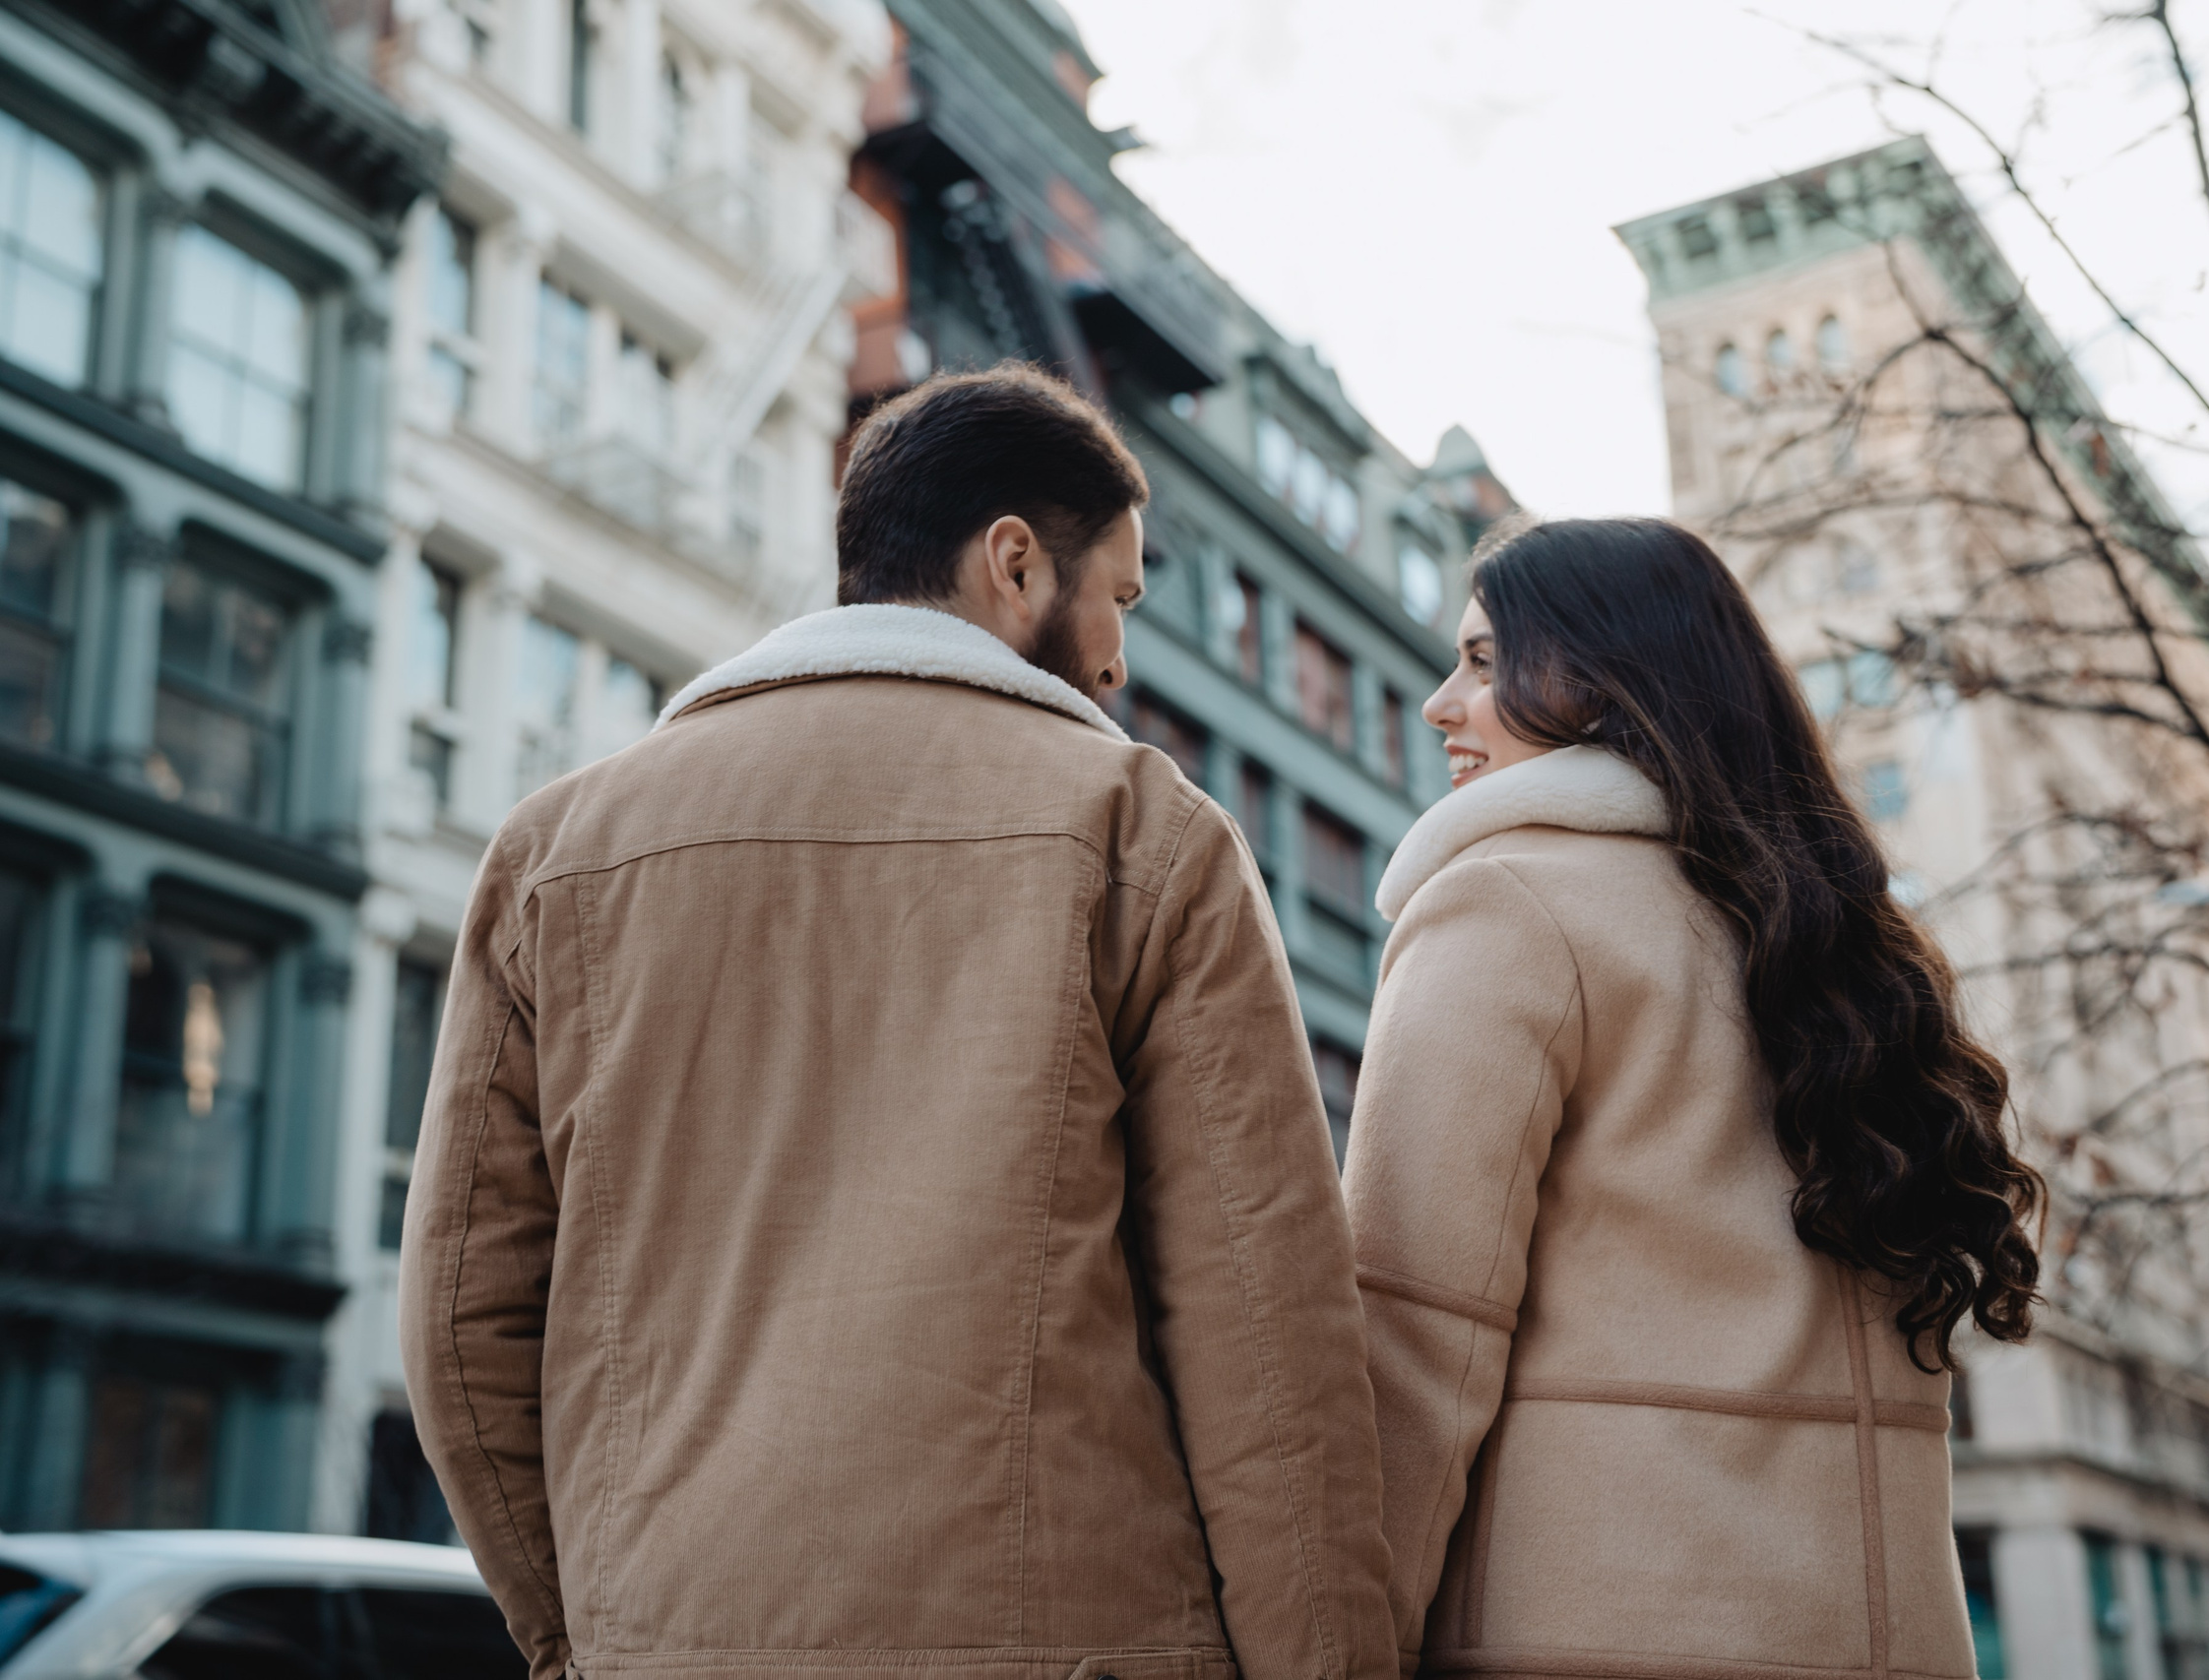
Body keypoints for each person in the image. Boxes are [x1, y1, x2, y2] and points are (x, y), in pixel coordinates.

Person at [401, 365, 1398, 1680]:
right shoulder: (1144, 833)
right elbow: (1269, 1354)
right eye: (1121, 598)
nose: (1114, 656)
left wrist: (582, 1630)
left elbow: (459, 1325)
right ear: (1014, 563)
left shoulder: (552, 850)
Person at [1344, 517, 2044, 1677]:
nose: (1440, 703)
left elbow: (1415, 1335)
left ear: (1598, 676)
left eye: (1480, 660)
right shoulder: (1845, 950)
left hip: (1588, 1629)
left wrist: (1342, 1641)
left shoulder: (1507, 904)